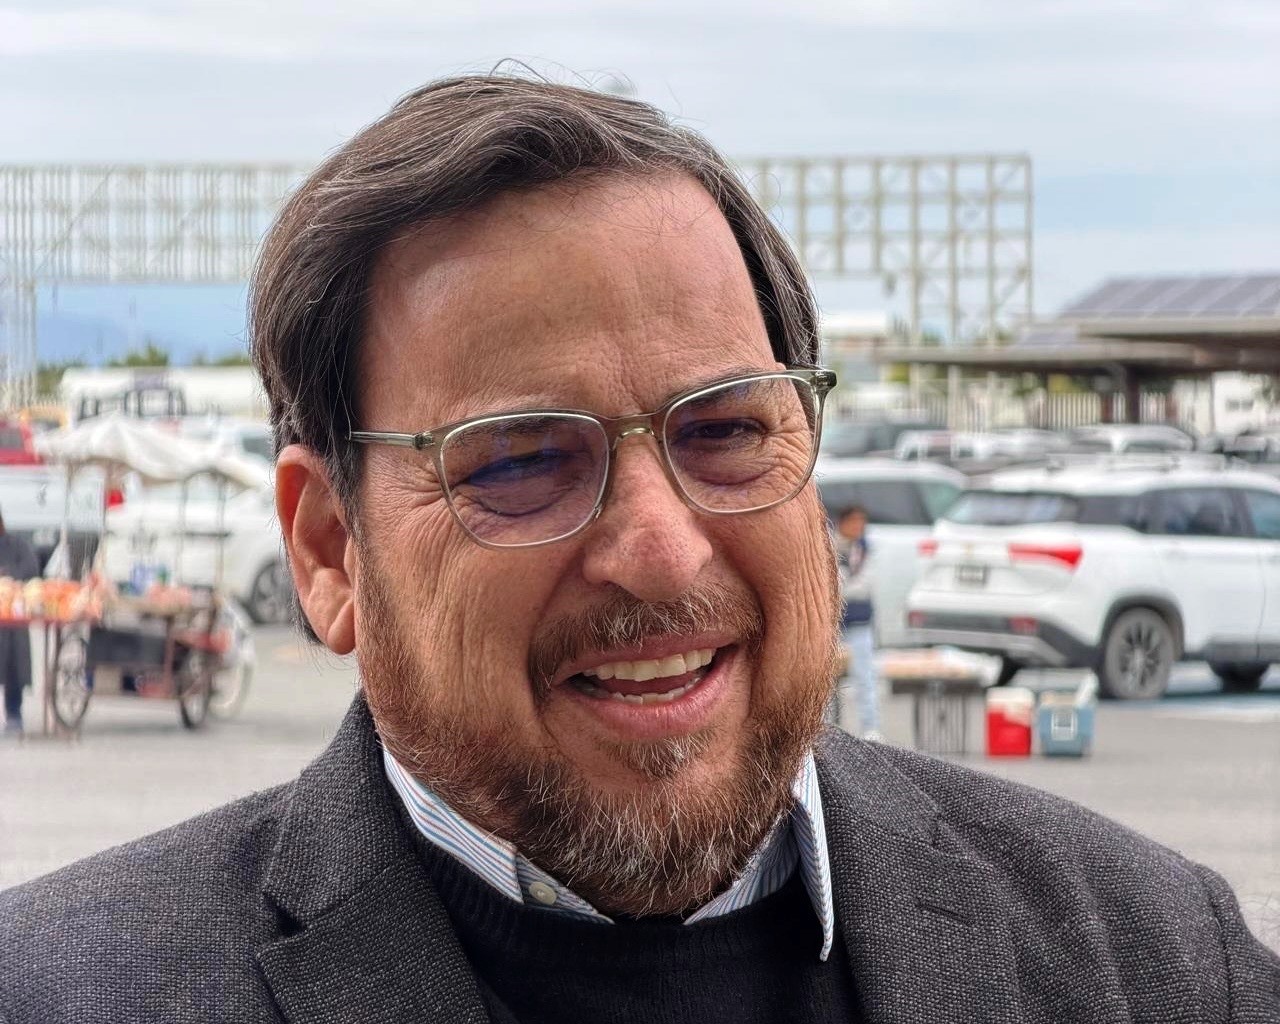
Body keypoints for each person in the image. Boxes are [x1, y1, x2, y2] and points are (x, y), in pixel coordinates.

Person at [1, 75, 1277, 1023]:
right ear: (330, 551)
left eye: (725, 430)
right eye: (518, 460)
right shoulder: (63, 990)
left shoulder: (1156, 962)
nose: (662, 554)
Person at [830, 504, 881, 740]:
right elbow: (830, 584)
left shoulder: (867, 549)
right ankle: (825, 728)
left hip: (860, 622)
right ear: (843, 522)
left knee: (865, 677)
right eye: (854, 521)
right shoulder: (830, 546)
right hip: (833, 624)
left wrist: (843, 588)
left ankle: (870, 729)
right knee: (825, 680)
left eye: (862, 522)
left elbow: (865, 586)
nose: (858, 527)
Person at [0, 506, 40, 737]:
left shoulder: (18, 546)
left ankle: (14, 714)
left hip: (12, 618)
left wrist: (8, 578)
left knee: (14, 665)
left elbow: (31, 570)